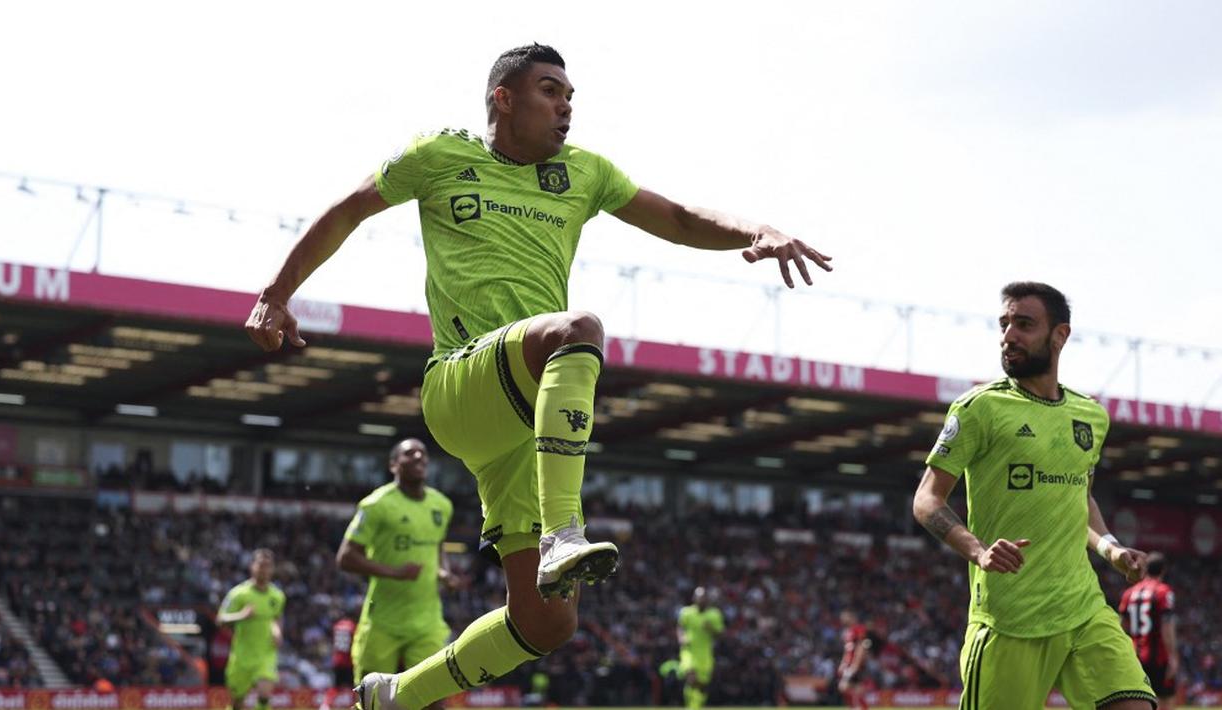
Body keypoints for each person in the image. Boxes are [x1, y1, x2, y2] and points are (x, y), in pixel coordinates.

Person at [244, 43, 831, 710]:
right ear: (503, 97)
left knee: (545, 623)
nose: (566, 107)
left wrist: (758, 229)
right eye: (550, 91)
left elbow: (676, 219)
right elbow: (348, 209)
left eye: (571, 97)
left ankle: (396, 695)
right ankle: (562, 536)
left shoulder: (583, 172)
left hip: (525, 423)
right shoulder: (439, 155)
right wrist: (276, 292)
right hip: (461, 383)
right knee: (575, 330)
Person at [912, 281, 1157, 710]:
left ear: (1060, 335)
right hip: (1010, 620)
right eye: (1004, 324)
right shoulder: (979, 409)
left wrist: (1111, 548)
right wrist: (978, 550)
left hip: (1083, 610)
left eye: (1024, 324)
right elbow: (927, 499)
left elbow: (1078, 497)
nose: (1009, 336)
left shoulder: (1090, 416)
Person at [335, 439, 455, 691]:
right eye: (409, 453)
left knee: (432, 696)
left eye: (422, 453)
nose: (418, 456)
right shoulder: (376, 504)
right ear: (393, 465)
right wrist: (394, 573)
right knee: (372, 698)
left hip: (427, 620)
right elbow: (345, 558)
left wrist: (444, 572)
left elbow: (438, 545)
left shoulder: (442, 505)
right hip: (383, 621)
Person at [216, 549, 286, 710]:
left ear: (273, 569)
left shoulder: (277, 596)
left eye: (268, 566)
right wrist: (241, 615)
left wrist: (277, 631)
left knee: (264, 694)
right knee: (237, 703)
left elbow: (276, 618)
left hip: (266, 654)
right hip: (242, 657)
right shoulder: (238, 594)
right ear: (252, 567)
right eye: (260, 565)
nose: (264, 569)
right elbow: (220, 620)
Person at [1119, 552, 1179, 709]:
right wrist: (1173, 656)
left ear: (1145, 569)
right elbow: (1167, 628)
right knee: (1165, 701)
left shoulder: (1129, 593)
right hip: (1158, 657)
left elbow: (1122, 628)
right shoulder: (1164, 592)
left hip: (1135, 657)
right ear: (1163, 570)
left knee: (1140, 701)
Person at [677, 587, 724, 708]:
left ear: (707, 600)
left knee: (701, 686)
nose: (701, 600)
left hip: (705, 654)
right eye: (699, 597)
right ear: (694, 598)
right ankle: (690, 706)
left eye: (703, 597)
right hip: (689, 652)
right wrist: (681, 637)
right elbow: (680, 627)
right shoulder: (686, 612)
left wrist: (710, 628)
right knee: (691, 678)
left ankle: (697, 706)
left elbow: (720, 635)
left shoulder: (714, 615)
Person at [319, 605, 358, 710]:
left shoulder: (337, 625)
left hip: (337, 660)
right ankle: (356, 706)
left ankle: (326, 705)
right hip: (348, 661)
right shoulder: (353, 626)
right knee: (355, 686)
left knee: (336, 686)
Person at [836, 609, 871, 710]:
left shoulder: (859, 629)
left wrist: (856, 664)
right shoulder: (847, 632)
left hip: (855, 664)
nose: (843, 620)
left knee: (845, 687)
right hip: (849, 663)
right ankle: (857, 707)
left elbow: (861, 646)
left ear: (852, 618)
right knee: (852, 688)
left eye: (845, 617)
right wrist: (843, 663)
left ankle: (858, 707)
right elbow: (847, 650)